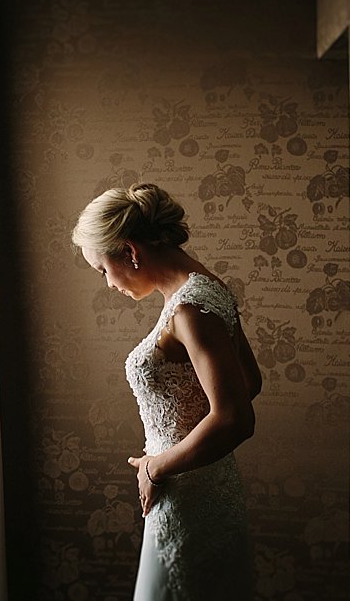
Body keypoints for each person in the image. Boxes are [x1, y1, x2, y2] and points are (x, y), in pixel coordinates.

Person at [72, 182, 262, 600]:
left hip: (185, 491)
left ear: (129, 251)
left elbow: (235, 418)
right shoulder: (207, 289)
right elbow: (249, 381)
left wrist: (155, 468)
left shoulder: (190, 308)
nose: (109, 284)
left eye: (103, 270)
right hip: (210, 483)